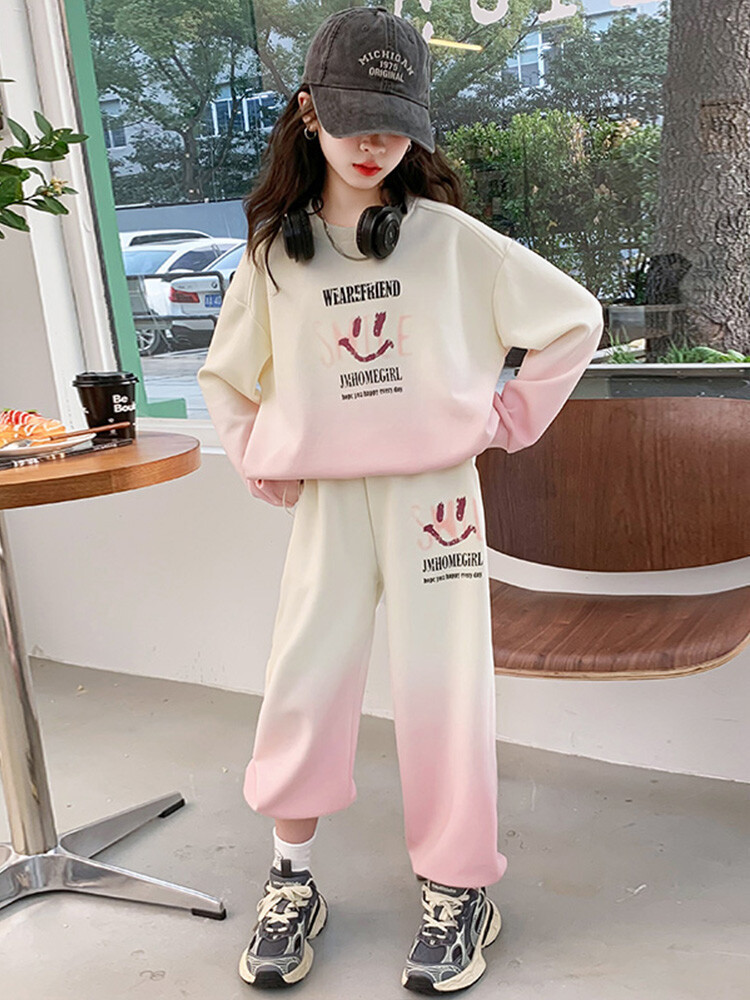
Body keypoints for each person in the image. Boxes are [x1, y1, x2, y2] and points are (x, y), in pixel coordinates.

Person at [197, 5, 604, 993]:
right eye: (353, 119)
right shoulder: (276, 255)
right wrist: (260, 455)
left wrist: (505, 418)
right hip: (333, 503)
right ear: (308, 113)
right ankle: (292, 878)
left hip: (435, 498)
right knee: (304, 683)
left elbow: (574, 319)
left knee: (445, 688)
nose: (374, 143)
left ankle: (458, 888)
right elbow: (227, 376)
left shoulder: (453, 243)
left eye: (393, 122)